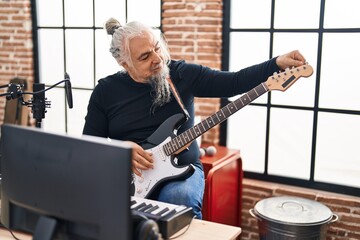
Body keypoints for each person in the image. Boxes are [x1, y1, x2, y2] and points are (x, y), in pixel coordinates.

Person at [82, 18, 306, 220]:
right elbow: (88, 145)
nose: (157, 58)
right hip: (129, 177)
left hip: (182, 170)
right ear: (125, 64)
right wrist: (121, 149)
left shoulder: (182, 74)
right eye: (145, 56)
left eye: (157, 48)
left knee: (180, 199)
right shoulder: (106, 91)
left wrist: (275, 64)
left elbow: (234, 82)